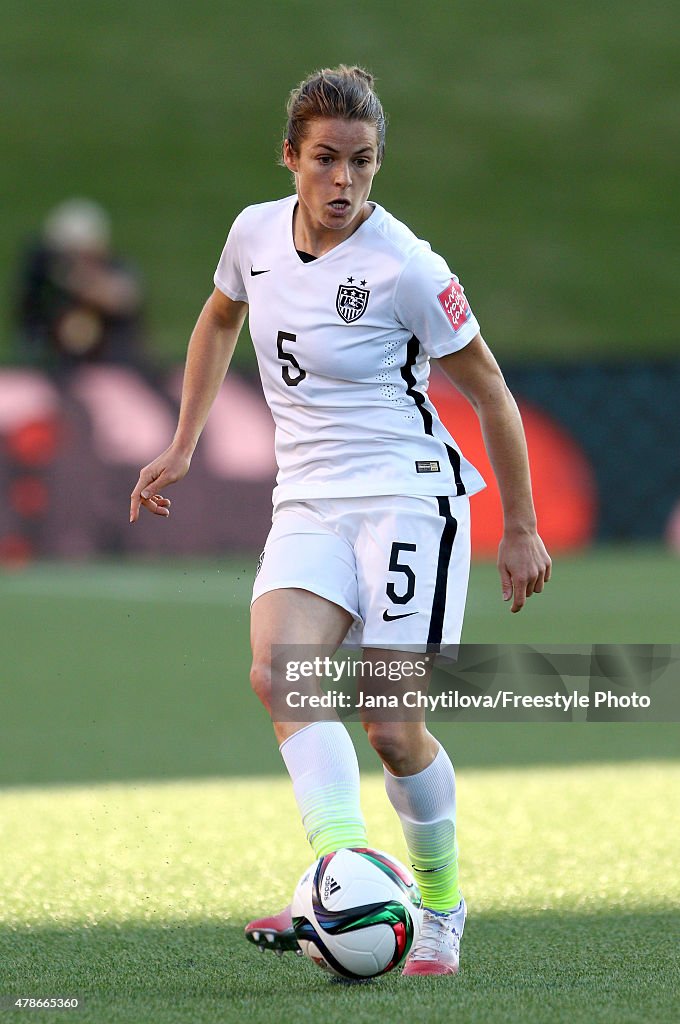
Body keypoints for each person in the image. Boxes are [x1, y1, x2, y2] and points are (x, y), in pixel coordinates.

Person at [130, 66, 551, 977]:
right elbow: (216, 321)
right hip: (309, 498)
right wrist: (182, 442)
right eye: (325, 160)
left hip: (408, 496)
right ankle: (341, 872)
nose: (343, 182)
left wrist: (518, 526)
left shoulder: (406, 265)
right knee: (281, 675)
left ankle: (439, 900)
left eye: (361, 163)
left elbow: (491, 393)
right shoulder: (252, 234)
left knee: (391, 728)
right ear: (289, 157)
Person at [15, 198, 145, 372]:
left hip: (114, 364)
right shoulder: (47, 282)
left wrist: (82, 282)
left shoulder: (116, 271)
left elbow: (121, 299)